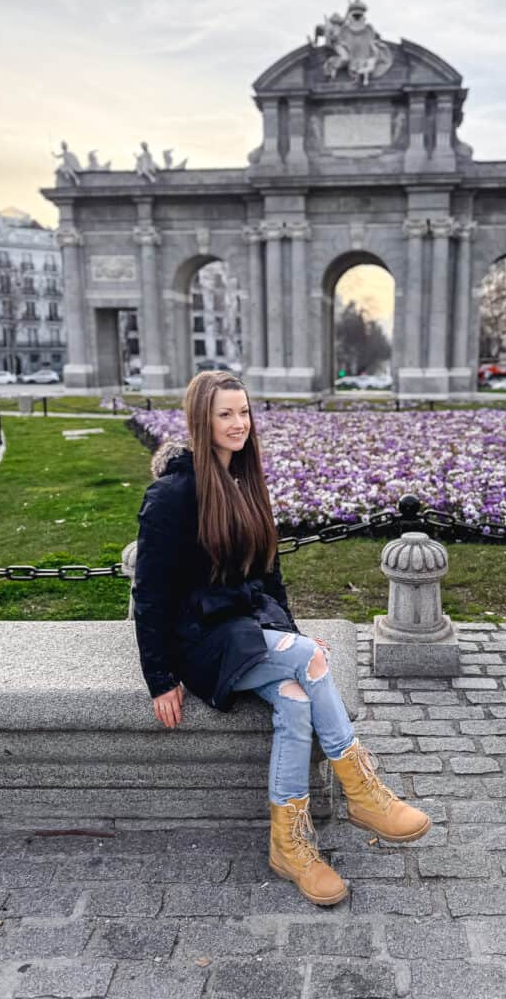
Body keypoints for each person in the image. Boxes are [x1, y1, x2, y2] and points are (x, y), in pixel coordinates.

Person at [133, 371, 430, 906]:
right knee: (313, 660)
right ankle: (362, 789)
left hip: (246, 631)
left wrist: (288, 635)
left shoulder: (246, 482)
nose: (238, 423)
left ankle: (289, 848)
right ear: (202, 419)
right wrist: (159, 678)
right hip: (198, 642)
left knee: (295, 702)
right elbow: (150, 593)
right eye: (225, 414)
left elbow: (268, 576)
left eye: (243, 412)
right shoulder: (173, 494)